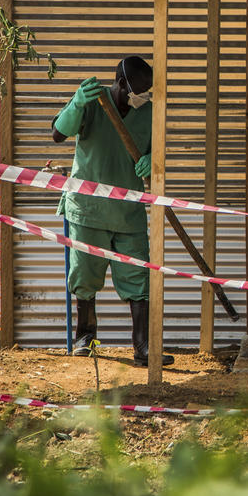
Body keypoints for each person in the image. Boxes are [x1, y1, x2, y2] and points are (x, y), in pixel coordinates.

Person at [51, 56, 172, 367]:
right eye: (141, 91)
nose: (145, 97)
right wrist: (76, 104)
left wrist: (153, 161)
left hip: (128, 211)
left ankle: (143, 347)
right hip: (88, 208)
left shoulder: (149, 113)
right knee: (85, 274)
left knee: (137, 276)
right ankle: (85, 338)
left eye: (149, 91)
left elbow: (156, 149)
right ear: (121, 85)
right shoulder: (93, 102)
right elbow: (57, 134)